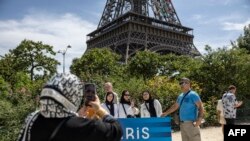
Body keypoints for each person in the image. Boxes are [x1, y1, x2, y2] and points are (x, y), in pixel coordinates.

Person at [17, 73, 122, 141]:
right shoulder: (81, 126)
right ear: (74, 95)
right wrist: (99, 110)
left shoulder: (32, 118)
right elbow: (117, 129)